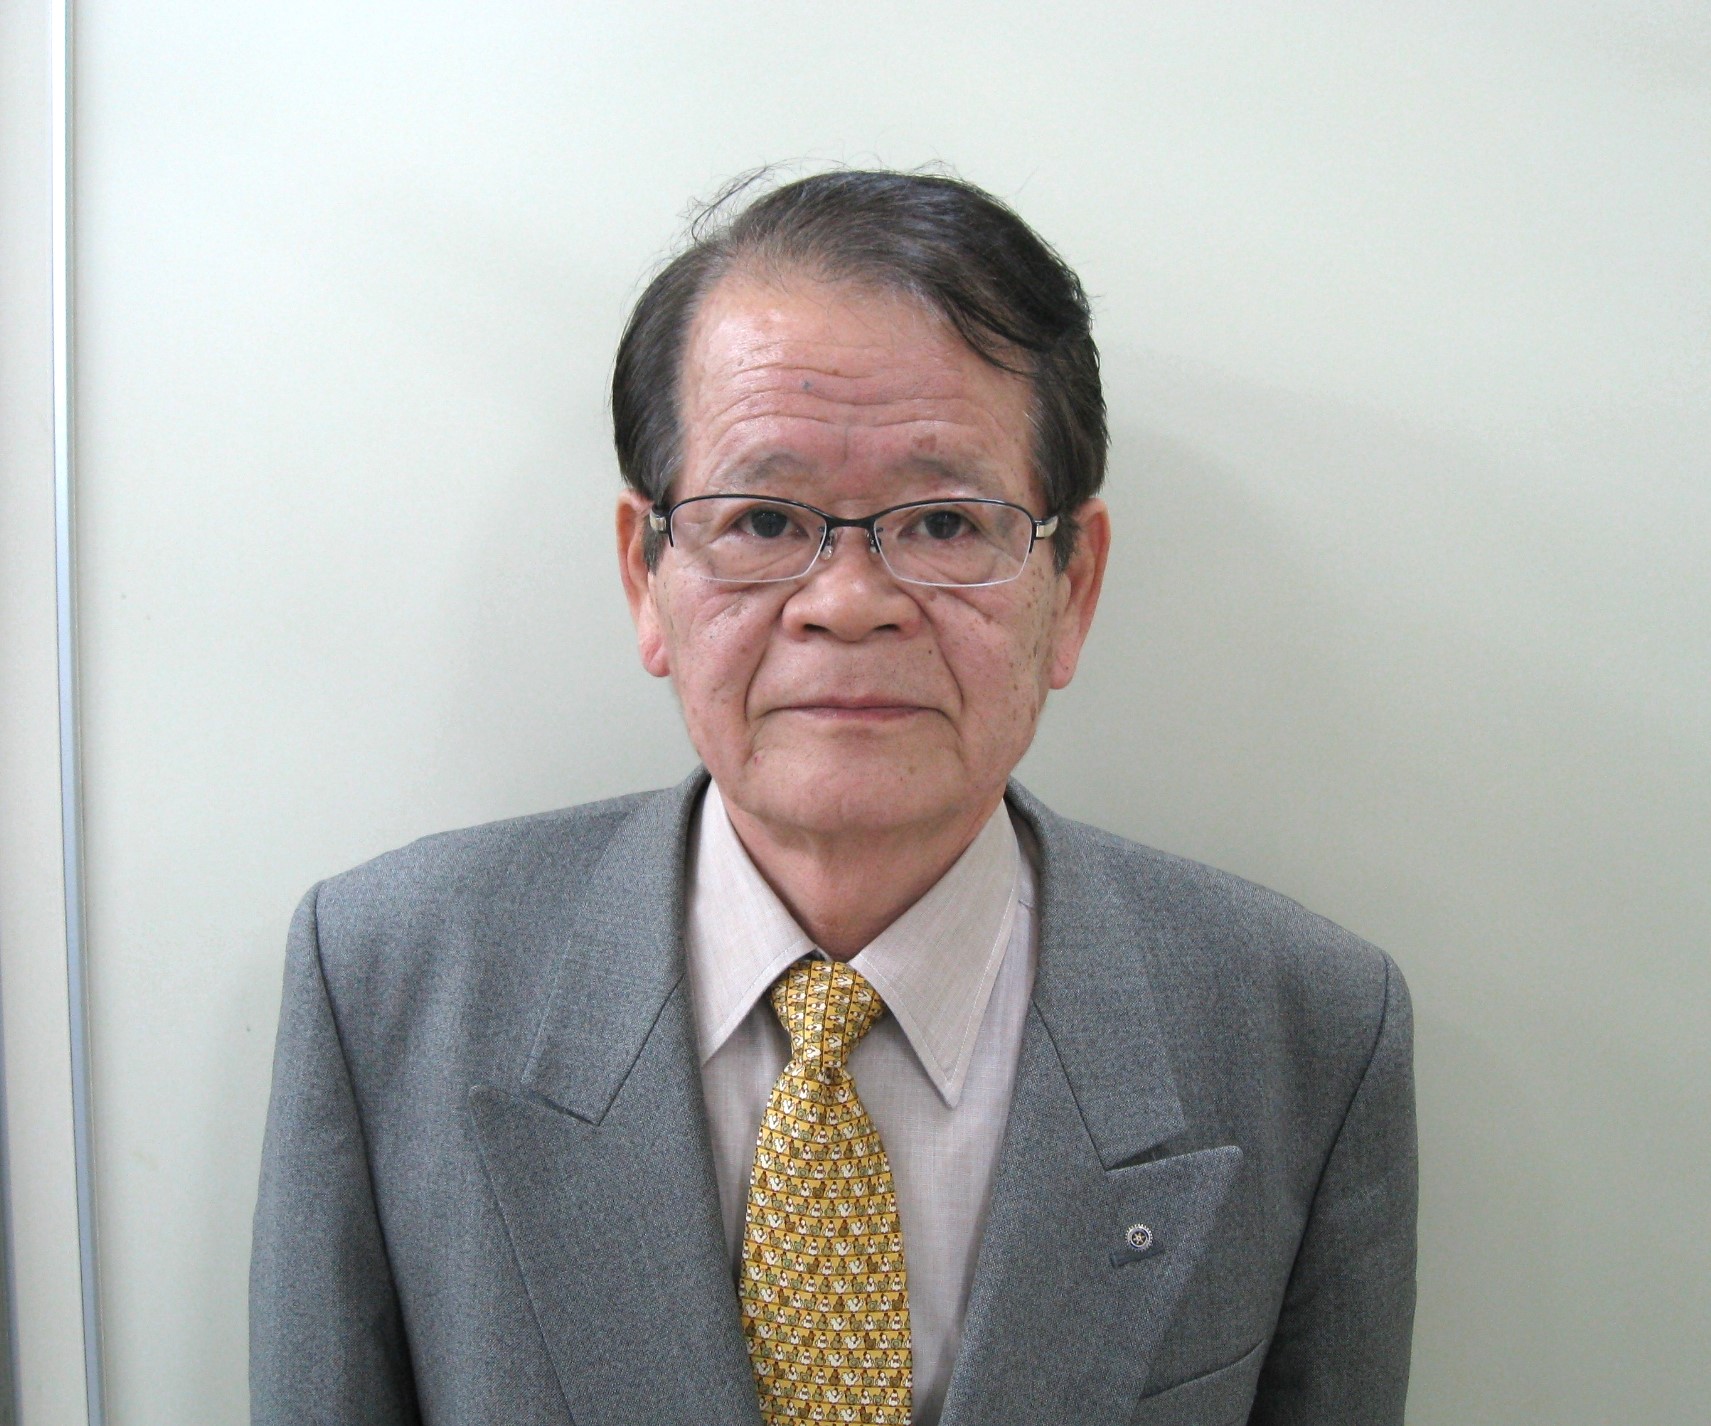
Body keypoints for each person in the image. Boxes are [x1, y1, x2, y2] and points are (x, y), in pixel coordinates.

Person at [251, 169, 1416, 1426]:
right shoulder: (389, 983)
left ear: (1071, 591)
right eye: (762, 519)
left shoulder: (1303, 1030)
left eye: (945, 524)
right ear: (647, 579)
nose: (848, 603)